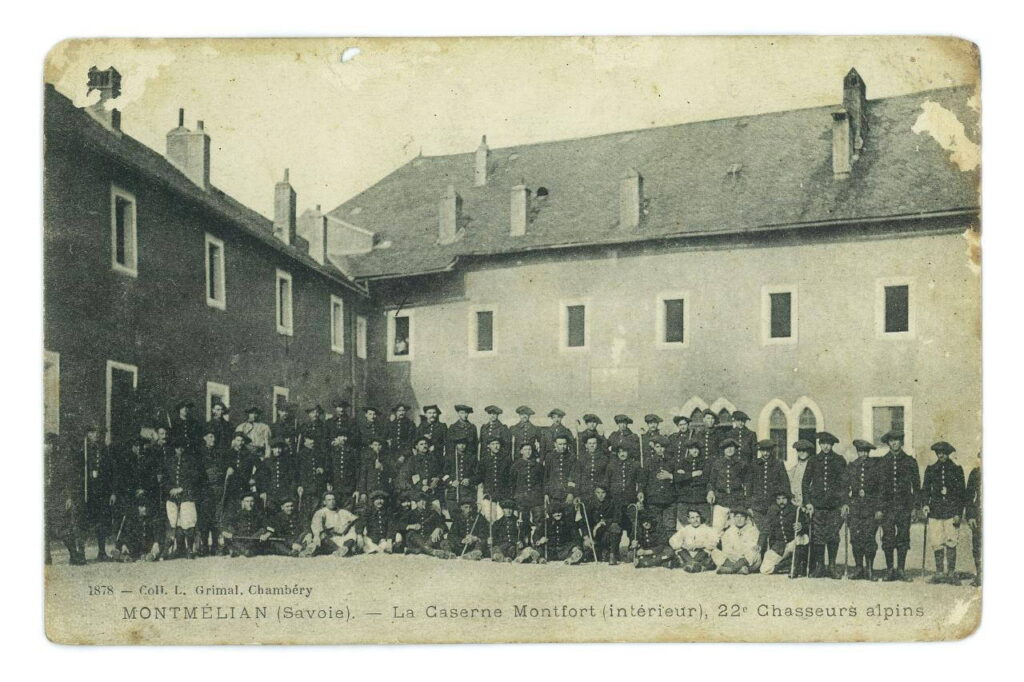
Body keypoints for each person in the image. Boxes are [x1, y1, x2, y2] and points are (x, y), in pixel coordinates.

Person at [876, 430, 920, 581]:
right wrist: (879, 508)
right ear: (888, 443)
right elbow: (879, 488)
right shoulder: (882, 462)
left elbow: (916, 486)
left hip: (904, 507)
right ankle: (890, 570)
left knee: (903, 537)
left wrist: (915, 508)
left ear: (901, 442)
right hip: (887, 509)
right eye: (891, 441)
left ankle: (901, 569)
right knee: (888, 538)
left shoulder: (909, 461)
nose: (894, 443)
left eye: (897, 440)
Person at [802, 432, 847, 578]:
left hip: (834, 506)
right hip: (818, 506)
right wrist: (808, 502)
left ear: (832, 444)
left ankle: (832, 566)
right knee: (818, 536)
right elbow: (805, 483)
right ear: (819, 444)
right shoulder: (813, 461)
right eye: (823, 443)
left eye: (828, 443)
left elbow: (845, 484)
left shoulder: (839, 460)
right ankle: (820, 566)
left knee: (833, 536)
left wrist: (845, 503)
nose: (825, 446)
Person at [921, 441, 965, 584]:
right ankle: (939, 573)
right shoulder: (931, 469)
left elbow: (961, 494)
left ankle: (951, 573)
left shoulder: (957, 469)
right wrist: (926, 505)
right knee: (937, 542)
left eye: (944, 453)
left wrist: (958, 512)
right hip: (935, 512)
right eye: (939, 453)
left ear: (948, 453)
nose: (941, 455)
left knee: (951, 541)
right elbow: (925, 490)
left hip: (951, 512)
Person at [842, 439, 882, 580]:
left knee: (869, 538)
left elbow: (880, 490)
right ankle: (859, 568)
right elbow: (844, 487)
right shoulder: (851, 467)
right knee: (856, 538)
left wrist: (878, 508)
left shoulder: (876, 467)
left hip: (871, 508)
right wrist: (846, 504)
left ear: (868, 452)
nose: (863, 454)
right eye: (860, 451)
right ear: (857, 452)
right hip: (855, 508)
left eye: (865, 451)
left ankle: (869, 568)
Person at [45, 433, 85, 565]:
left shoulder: (61, 460)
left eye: (50, 444)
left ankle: (74, 555)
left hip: (56, 497)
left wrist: (68, 497)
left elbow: (68, 479)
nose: (48, 446)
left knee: (62, 526)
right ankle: (46, 557)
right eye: (46, 444)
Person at [746, 439, 791, 551]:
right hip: (757, 506)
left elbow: (785, 484)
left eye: (768, 451)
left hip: (773, 505)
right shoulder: (754, 464)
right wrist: (748, 505)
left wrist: (783, 502)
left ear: (771, 451)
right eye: (763, 451)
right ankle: (760, 558)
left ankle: (771, 557)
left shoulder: (778, 464)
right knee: (761, 531)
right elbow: (749, 486)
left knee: (773, 531)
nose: (765, 454)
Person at [82, 423, 116, 561]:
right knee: (87, 522)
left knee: (102, 522)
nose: (95, 435)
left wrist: (113, 492)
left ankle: (101, 551)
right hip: (88, 492)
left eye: (97, 432)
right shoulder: (84, 451)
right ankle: (81, 553)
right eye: (92, 432)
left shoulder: (106, 451)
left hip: (103, 493)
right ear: (88, 435)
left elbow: (113, 472)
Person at [162, 439, 200, 559]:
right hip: (172, 497)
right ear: (174, 449)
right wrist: (170, 489)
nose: (180, 450)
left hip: (187, 495)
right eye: (178, 448)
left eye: (182, 447)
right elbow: (164, 479)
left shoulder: (191, 462)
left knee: (188, 522)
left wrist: (182, 488)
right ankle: (179, 548)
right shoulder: (169, 462)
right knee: (174, 522)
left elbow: (194, 478)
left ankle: (189, 548)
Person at [759, 492, 807, 576]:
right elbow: (766, 530)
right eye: (778, 499)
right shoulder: (772, 511)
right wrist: (761, 545)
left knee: (802, 539)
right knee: (764, 569)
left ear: (788, 499)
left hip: (793, 543)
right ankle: (787, 565)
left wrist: (801, 527)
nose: (781, 501)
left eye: (784, 499)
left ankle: (795, 566)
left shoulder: (796, 510)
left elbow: (806, 526)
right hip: (779, 546)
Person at [640, 436, 679, 532]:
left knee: (670, 527)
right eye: (657, 447)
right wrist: (640, 491)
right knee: (656, 526)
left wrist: (670, 476)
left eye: (663, 447)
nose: (660, 449)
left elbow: (679, 477)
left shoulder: (672, 461)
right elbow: (643, 480)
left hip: (669, 499)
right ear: (654, 448)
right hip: (654, 499)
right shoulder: (649, 462)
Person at [707, 438, 746, 533]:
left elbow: (747, 482)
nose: (729, 450)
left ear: (735, 449)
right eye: (727, 447)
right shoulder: (717, 463)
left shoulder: (741, 464)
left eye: (732, 447)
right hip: (721, 500)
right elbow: (711, 481)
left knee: (735, 529)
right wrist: (710, 492)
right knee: (717, 529)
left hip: (736, 500)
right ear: (723, 450)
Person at [399, 490, 451, 558]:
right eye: (420, 501)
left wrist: (438, 528)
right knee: (412, 533)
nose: (423, 503)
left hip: (428, 540)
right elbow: (399, 525)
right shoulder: (410, 514)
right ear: (416, 503)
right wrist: (410, 526)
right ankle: (432, 551)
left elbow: (444, 526)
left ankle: (416, 551)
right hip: (416, 540)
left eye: (424, 501)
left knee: (435, 537)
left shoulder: (433, 513)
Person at [308, 491, 361, 557]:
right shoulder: (321, 512)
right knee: (322, 536)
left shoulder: (342, 511)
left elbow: (356, 519)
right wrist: (317, 535)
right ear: (324, 502)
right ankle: (339, 549)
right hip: (329, 539)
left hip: (342, 538)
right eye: (329, 500)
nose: (332, 502)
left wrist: (358, 533)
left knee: (352, 534)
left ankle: (345, 548)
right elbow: (316, 525)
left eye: (333, 499)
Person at [581, 485, 623, 565]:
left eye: (603, 493)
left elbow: (618, 518)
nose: (600, 495)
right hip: (596, 535)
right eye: (598, 493)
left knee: (615, 527)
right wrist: (586, 537)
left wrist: (604, 523)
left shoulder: (612, 502)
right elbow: (584, 522)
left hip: (608, 534)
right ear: (595, 493)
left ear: (606, 493)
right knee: (588, 555)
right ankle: (601, 551)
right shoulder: (590, 504)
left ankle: (612, 555)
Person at [712, 509, 762, 574]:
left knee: (755, 553)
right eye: (737, 517)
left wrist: (741, 557)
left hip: (746, 559)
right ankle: (740, 569)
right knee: (715, 552)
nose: (739, 519)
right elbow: (726, 548)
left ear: (746, 519)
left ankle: (731, 569)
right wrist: (732, 555)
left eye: (742, 517)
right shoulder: (729, 531)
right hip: (732, 558)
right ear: (734, 519)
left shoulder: (753, 530)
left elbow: (752, 547)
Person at [668, 508, 718, 573]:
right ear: (688, 519)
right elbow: (672, 541)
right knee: (680, 551)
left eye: (697, 517)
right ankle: (696, 565)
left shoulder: (707, 529)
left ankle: (689, 565)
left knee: (707, 551)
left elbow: (715, 541)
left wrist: (701, 545)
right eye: (692, 518)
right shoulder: (685, 529)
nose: (695, 520)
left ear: (700, 518)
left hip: (701, 553)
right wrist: (683, 545)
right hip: (687, 553)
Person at [222, 493, 271, 557]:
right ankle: (241, 551)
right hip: (240, 540)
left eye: (251, 501)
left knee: (261, 531)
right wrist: (226, 532)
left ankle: (239, 551)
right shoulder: (237, 514)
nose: (250, 504)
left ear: (254, 503)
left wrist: (266, 535)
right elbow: (225, 525)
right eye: (247, 501)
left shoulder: (259, 515)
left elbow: (268, 526)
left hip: (254, 541)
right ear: (243, 502)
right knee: (237, 544)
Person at [674, 439, 709, 525]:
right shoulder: (682, 462)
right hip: (685, 498)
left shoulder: (705, 462)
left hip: (700, 498)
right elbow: (677, 478)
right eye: (692, 448)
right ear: (688, 450)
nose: (695, 450)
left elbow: (705, 478)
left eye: (697, 448)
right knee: (685, 525)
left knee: (703, 524)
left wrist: (685, 475)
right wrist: (693, 474)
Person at [257, 438, 296, 514]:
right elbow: (262, 479)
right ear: (272, 449)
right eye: (275, 448)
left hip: (285, 493)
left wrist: (291, 492)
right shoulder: (267, 462)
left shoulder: (288, 462)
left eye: (279, 448)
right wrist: (263, 491)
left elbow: (292, 478)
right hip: (271, 493)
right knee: (270, 512)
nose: (278, 450)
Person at [511, 442, 545, 524]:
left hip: (536, 498)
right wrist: (514, 497)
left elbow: (542, 481)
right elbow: (512, 482)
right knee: (522, 522)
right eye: (525, 449)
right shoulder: (516, 466)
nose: (528, 452)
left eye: (529, 449)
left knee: (539, 521)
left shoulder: (538, 466)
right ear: (521, 451)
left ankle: (537, 537)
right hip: (521, 498)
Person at [327, 431, 362, 511]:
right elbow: (330, 468)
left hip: (349, 488)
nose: (342, 438)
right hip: (336, 487)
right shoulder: (333, 452)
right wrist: (329, 482)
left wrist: (357, 488)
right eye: (339, 436)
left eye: (343, 436)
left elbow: (357, 470)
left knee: (348, 511)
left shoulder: (352, 452)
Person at [443, 436, 478, 515]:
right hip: (453, 492)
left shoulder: (472, 458)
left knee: (468, 515)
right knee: (455, 516)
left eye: (464, 444)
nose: (462, 446)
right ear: (456, 445)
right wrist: (451, 482)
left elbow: (478, 475)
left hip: (467, 492)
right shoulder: (449, 457)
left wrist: (469, 480)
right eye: (459, 444)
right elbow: (444, 474)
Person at [543, 435, 577, 507]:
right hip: (553, 494)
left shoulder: (572, 457)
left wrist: (570, 493)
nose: (563, 446)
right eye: (560, 444)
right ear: (555, 444)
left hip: (566, 494)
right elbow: (546, 476)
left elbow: (573, 477)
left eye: (564, 444)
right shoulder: (549, 457)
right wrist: (546, 493)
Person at [297, 433, 328, 511]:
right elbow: (297, 472)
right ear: (304, 442)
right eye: (309, 439)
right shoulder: (300, 455)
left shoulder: (319, 453)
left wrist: (322, 469)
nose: (312, 442)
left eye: (313, 439)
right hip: (306, 487)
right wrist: (299, 485)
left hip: (318, 486)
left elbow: (326, 466)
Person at [575, 433, 609, 502]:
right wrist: (577, 494)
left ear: (597, 445)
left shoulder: (604, 459)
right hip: (585, 493)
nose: (592, 445)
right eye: (590, 443)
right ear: (586, 445)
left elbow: (607, 477)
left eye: (594, 443)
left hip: (599, 494)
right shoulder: (581, 459)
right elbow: (578, 478)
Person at [965, 454, 981, 586]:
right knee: (978, 546)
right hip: (979, 515)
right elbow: (969, 497)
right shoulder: (975, 474)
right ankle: (980, 575)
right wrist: (970, 516)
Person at [360, 490, 394, 554]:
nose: (379, 502)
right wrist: (359, 535)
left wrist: (389, 539)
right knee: (367, 541)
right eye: (377, 499)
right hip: (371, 538)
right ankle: (374, 548)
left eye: (381, 499)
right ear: (373, 501)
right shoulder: (368, 511)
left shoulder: (387, 512)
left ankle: (377, 548)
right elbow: (361, 523)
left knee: (387, 544)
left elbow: (391, 526)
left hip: (383, 539)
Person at [479, 435, 511, 502]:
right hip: (489, 493)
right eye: (493, 444)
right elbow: (480, 475)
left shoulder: (506, 459)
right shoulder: (484, 460)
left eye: (497, 444)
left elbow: (510, 476)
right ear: (488, 446)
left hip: (503, 493)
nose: (496, 446)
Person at [361, 437, 392, 503]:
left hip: (383, 489)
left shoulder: (386, 459)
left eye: (379, 445)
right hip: (371, 489)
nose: (377, 447)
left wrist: (382, 468)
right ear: (371, 446)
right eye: (375, 445)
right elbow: (363, 476)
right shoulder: (367, 460)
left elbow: (392, 473)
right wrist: (363, 492)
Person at [788, 439, 813, 505]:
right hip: (796, 502)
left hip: (809, 502)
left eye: (804, 450)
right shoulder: (794, 469)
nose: (801, 453)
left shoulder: (813, 467)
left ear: (809, 451)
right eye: (799, 450)